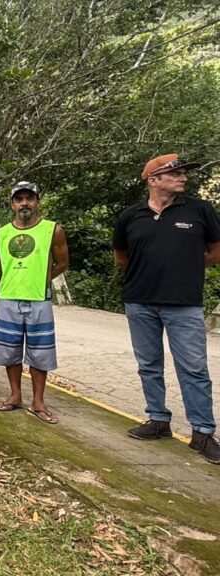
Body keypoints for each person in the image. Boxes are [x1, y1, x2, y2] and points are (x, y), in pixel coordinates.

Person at [114, 154, 220, 464]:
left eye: (184, 172)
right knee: (148, 364)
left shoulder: (199, 210)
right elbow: (122, 257)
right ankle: (158, 420)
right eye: (175, 172)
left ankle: (201, 432)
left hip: (184, 304)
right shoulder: (130, 216)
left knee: (194, 369)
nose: (183, 177)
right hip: (139, 301)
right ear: (153, 179)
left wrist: (183, 266)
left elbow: (215, 252)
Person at [0, 182, 69, 423]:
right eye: (19, 199)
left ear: (37, 202)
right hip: (9, 298)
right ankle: (15, 396)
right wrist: (17, 280)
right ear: (13, 204)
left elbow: (62, 262)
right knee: (10, 350)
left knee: (40, 353)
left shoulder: (52, 230)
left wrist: (41, 281)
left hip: (39, 300)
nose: (24, 203)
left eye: (29, 198)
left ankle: (38, 402)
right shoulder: (2, 233)